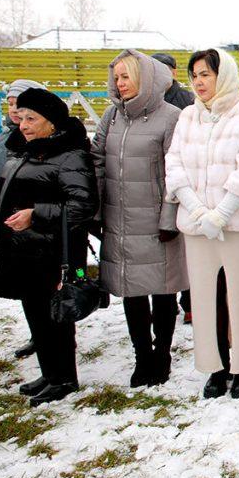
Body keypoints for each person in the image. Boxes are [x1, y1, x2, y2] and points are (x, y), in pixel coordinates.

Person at [0, 88, 97, 405]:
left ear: (52, 123)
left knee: (55, 316)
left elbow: (82, 206)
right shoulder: (24, 150)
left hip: (54, 252)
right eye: (21, 116)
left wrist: (37, 215)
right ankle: (50, 373)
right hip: (23, 250)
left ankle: (65, 379)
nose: (24, 123)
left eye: (32, 118)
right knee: (35, 313)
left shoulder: (69, 154)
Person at [166, 48, 239, 399]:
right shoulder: (188, 116)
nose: (199, 81)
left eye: (206, 74)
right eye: (194, 75)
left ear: (222, 75)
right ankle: (215, 365)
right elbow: (174, 164)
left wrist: (221, 214)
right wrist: (197, 211)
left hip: (236, 222)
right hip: (197, 225)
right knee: (204, 295)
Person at [92, 49, 188, 388]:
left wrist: (169, 219)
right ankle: (141, 355)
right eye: (116, 78)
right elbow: (97, 162)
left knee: (163, 291)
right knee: (130, 291)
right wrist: (96, 209)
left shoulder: (172, 117)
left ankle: (161, 354)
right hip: (120, 221)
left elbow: (176, 174)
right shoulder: (111, 117)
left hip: (157, 222)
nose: (120, 84)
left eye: (126, 77)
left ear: (144, 78)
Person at [0, 79, 46, 360]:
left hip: (32, 223)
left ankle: (52, 342)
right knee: (24, 288)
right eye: (9, 104)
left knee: (41, 290)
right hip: (5, 220)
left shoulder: (37, 138)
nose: (13, 110)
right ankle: (38, 336)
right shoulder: (5, 137)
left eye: (18, 104)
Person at [151, 52, 195, 325]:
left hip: (183, 182)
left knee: (186, 249)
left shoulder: (187, 102)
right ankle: (166, 301)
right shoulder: (147, 101)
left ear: (174, 73)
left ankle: (190, 302)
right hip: (157, 183)